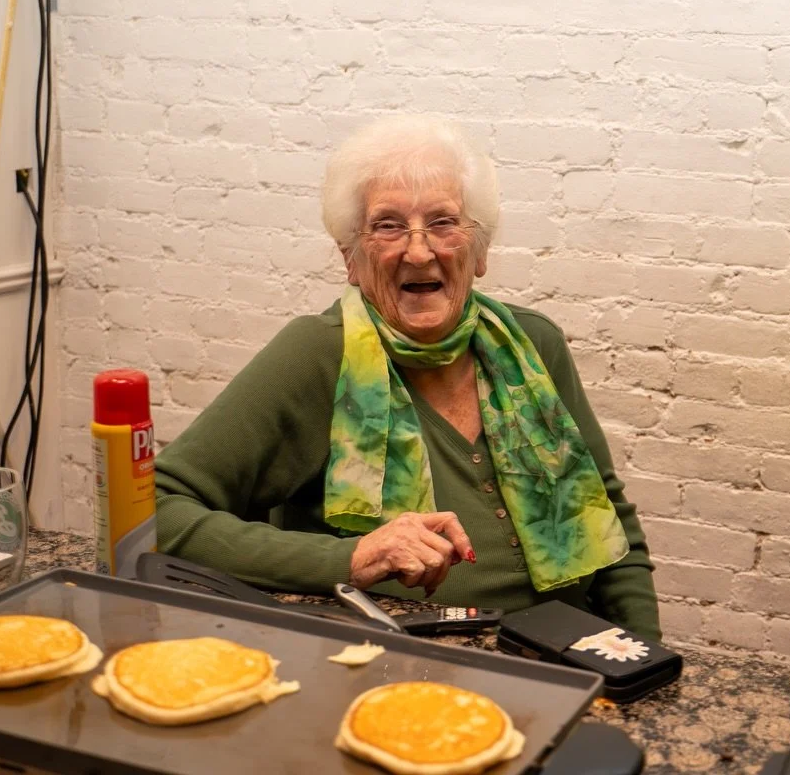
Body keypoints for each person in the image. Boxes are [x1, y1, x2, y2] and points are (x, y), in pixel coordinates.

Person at [154, 117, 660, 639]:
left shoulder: (533, 345)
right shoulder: (318, 355)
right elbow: (158, 509)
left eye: (443, 222)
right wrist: (352, 558)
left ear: (480, 251)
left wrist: (646, 659)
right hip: (402, 660)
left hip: (573, 651)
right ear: (351, 259)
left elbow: (610, 520)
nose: (419, 252)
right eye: (388, 226)